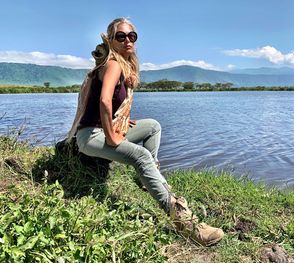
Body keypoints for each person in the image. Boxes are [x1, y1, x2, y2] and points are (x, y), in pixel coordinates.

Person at [67, 17, 224, 246]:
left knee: (152, 126)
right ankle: (186, 224)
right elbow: (103, 101)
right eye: (121, 36)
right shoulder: (113, 63)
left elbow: (112, 104)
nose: (127, 40)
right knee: (142, 156)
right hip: (91, 136)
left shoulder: (124, 65)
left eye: (132, 36)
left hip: (104, 130)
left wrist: (122, 120)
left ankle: (149, 177)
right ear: (111, 41)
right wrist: (112, 135)